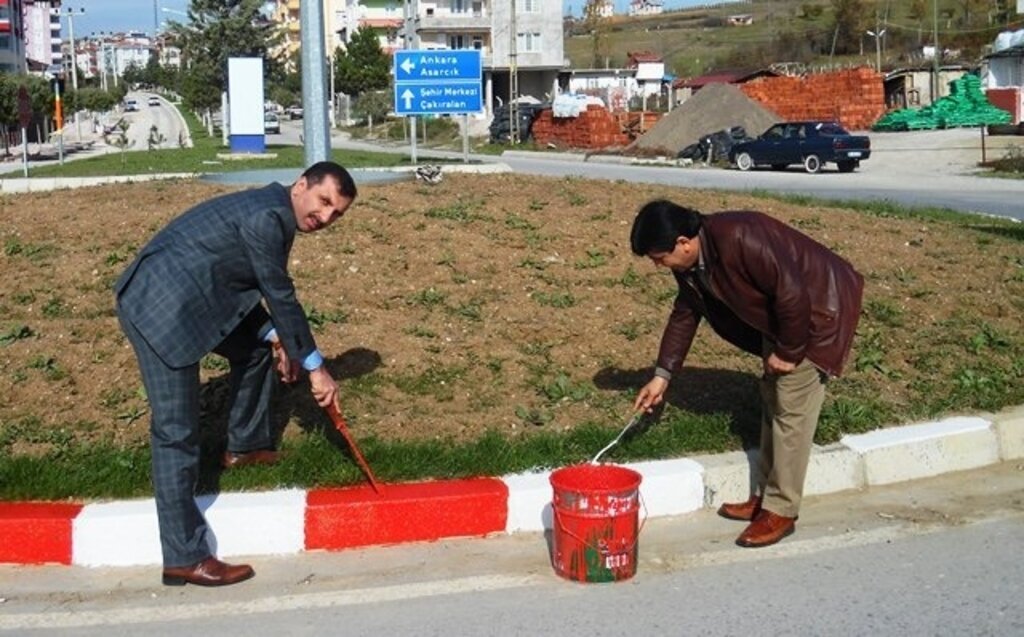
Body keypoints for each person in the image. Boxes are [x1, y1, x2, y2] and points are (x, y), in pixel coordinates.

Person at [114, 161, 358, 586]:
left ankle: (245, 446)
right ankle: (184, 556)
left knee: (258, 350)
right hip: (161, 308)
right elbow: (279, 293)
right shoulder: (268, 218)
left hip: (196, 296)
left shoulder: (273, 210)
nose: (325, 218)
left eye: (336, 214)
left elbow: (237, 278)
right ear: (301, 185)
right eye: (323, 203)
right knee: (176, 434)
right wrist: (317, 370)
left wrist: (277, 337)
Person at [630, 199, 863, 548]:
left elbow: (792, 292)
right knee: (772, 401)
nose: (659, 265)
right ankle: (767, 499)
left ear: (683, 242)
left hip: (817, 314)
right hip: (785, 321)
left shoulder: (741, 237)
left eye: (659, 258)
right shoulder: (692, 261)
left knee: (791, 410)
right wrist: (662, 375)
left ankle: (781, 510)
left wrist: (788, 352)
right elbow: (685, 312)